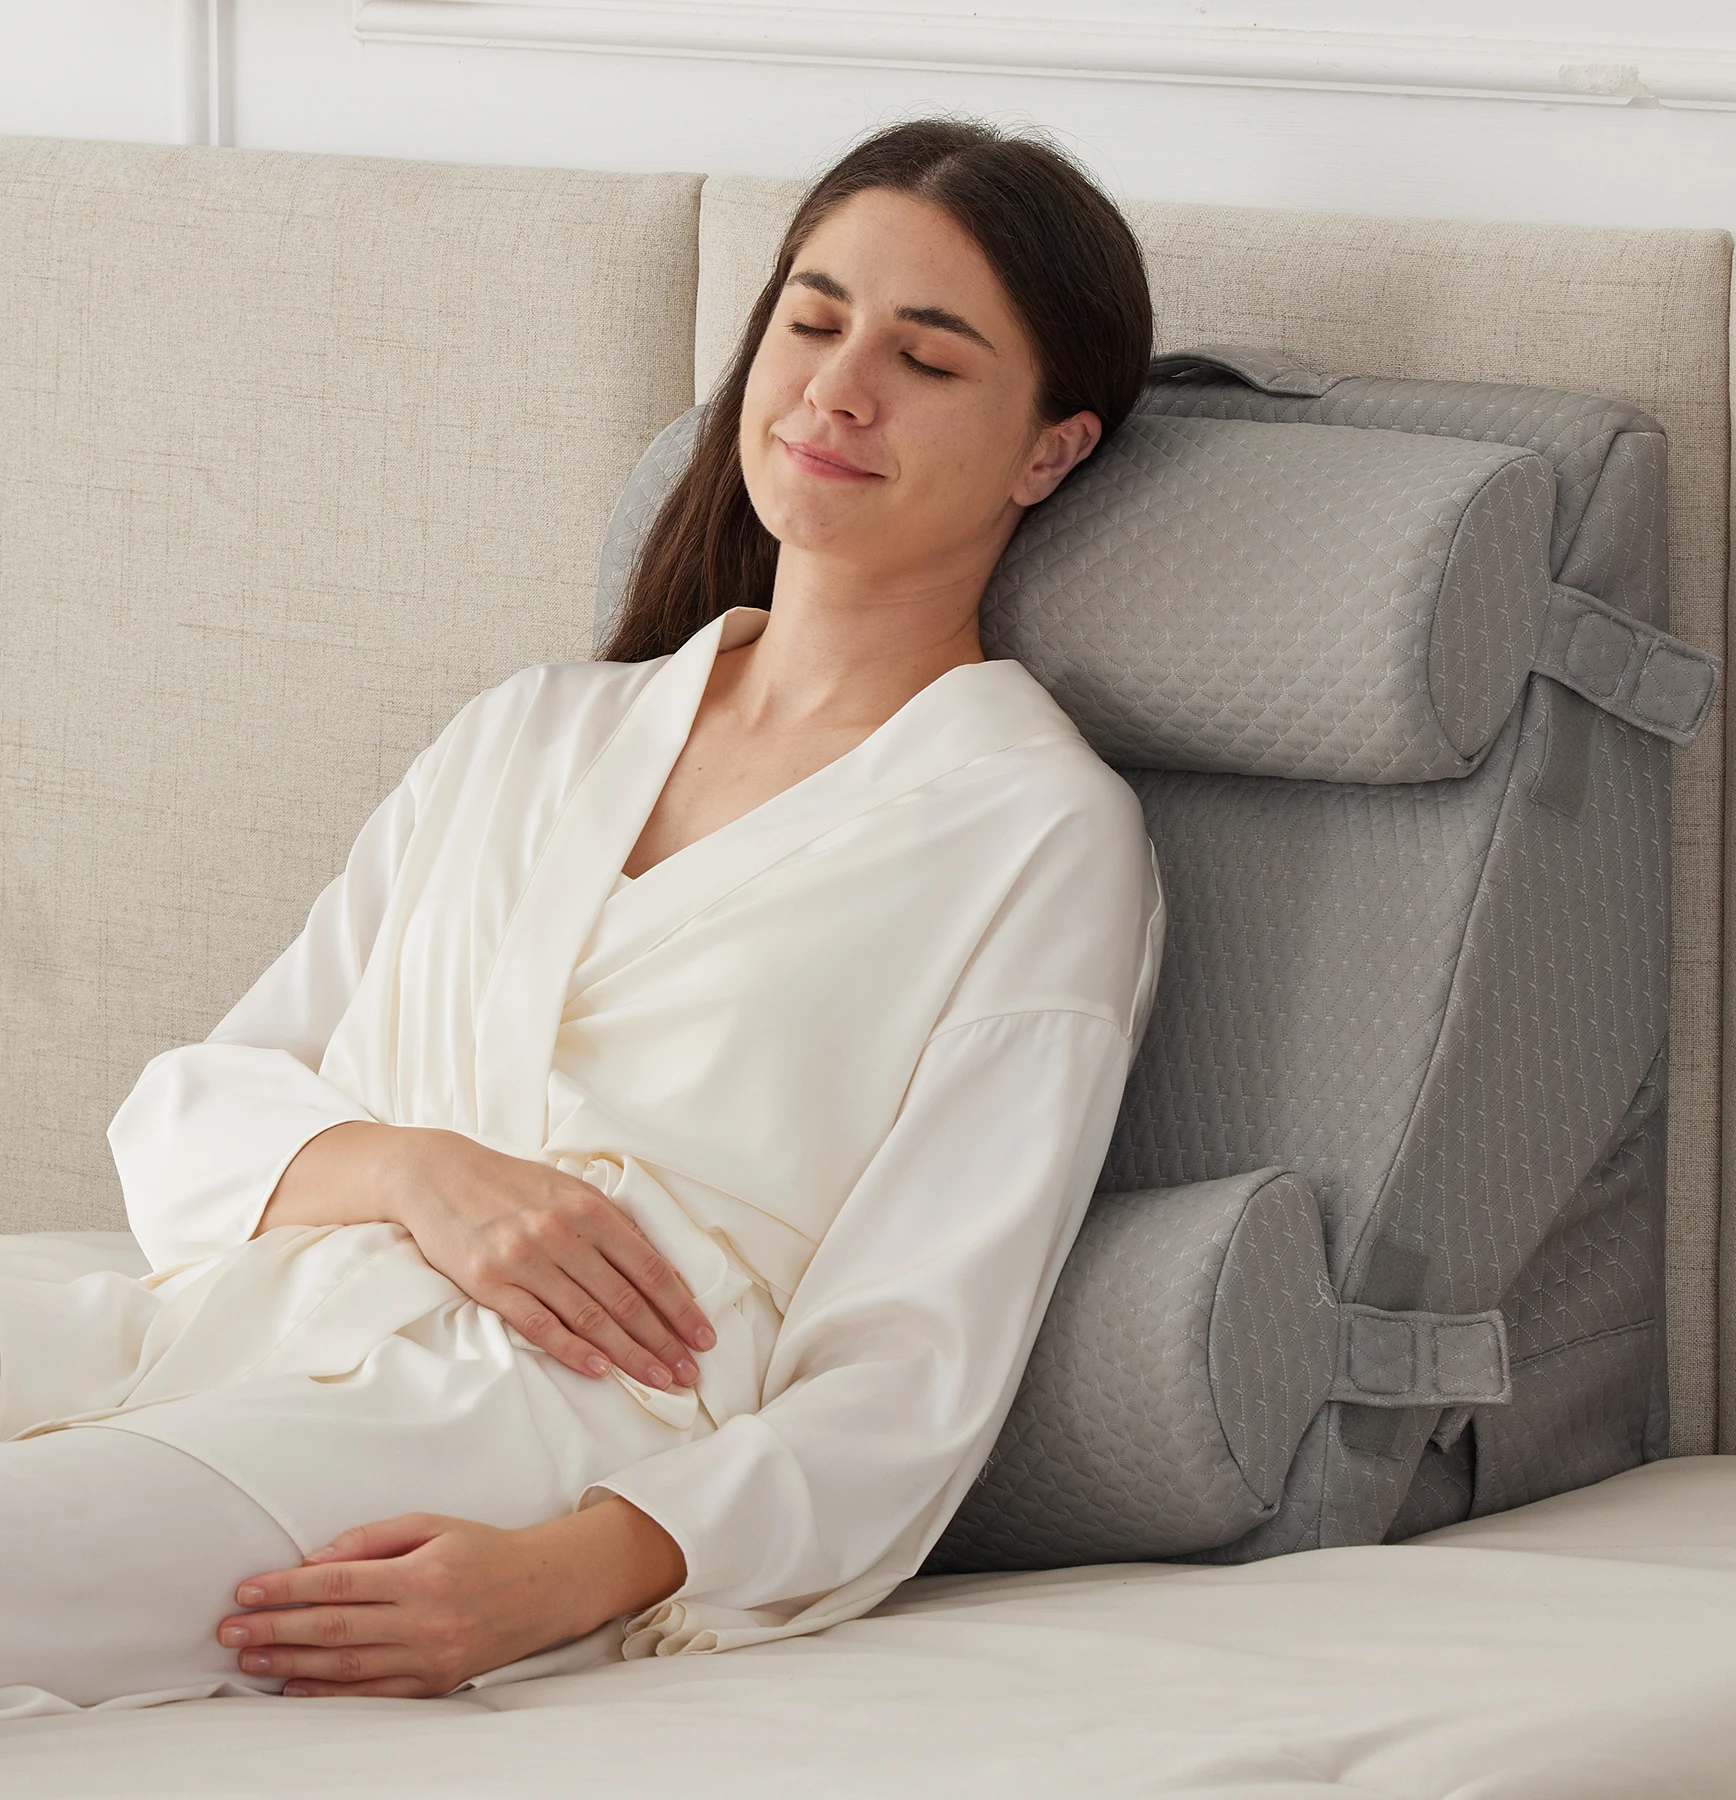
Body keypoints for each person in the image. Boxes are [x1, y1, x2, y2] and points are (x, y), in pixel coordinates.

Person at [0, 116, 1163, 1708]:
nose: (836, 388)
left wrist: (570, 1573)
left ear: (1051, 449)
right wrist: (419, 1173)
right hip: (246, 1311)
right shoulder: (533, 731)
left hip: (524, 1432)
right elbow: (191, 1116)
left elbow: (916, 1364)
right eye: (811, 321)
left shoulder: (1035, 834)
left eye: (927, 357)